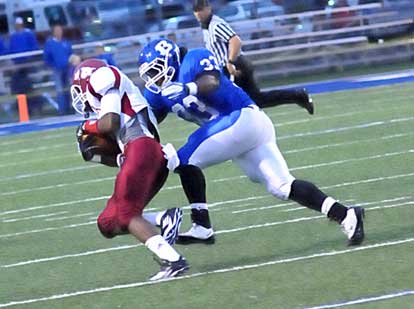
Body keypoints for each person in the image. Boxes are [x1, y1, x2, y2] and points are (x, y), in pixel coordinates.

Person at [138, 38, 365, 246]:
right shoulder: (156, 92)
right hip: (237, 131)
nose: (155, 79)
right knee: (282, 186)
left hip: (243, 118)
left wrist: (189, 88)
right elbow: (149, 120)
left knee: (183, 160)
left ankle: (202, 225)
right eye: (150, 75)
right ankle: (346, 215)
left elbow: (213, 80)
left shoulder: (193, 58)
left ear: (169, 59)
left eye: (157, 71)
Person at [71, 58, 189, 280]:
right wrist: (95, 154)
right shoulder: (112, 99)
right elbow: (117, 149)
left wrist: (86, 126)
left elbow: (110, 123)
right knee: (107, 223)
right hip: (140, 155)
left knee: (126, 215)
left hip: (142, 149)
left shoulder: (103, 78)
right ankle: (164, 218)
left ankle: (173, 261)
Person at [192, 0, 314, 114]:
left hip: (235, 66)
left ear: (208, 8)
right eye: (196, 11)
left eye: (201, 10)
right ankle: (298, 96)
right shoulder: (205, 27)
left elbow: (235, 41)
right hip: (228, 67)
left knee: (230, 101)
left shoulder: (216, 25)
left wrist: (230, 62)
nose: (198, 13)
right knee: (256, 100)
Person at [9, 17, 41, 115]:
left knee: (28, 87)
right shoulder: (13, 36)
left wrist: (30, 58)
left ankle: (32, 107)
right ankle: (24, 110)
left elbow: (34, 47)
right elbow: (11, 49)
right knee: (20, 87)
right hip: (18, 65)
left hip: (28, 63)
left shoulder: (28, 33)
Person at [44, 24, 73, 115]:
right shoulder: (50, 43)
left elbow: (71, 54)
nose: (59, 32)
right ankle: (62, 110)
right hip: (57, 69)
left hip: (67, 69)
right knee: (60, 90)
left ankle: (69, 108)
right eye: (57, 30)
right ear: (53, 32)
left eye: (60, 30)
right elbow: (47, 57)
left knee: (68, 89)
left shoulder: (66, 42)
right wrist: (53, 65)